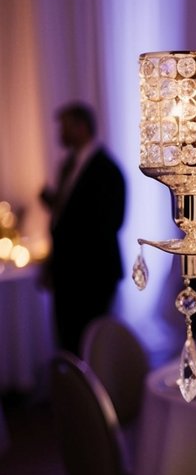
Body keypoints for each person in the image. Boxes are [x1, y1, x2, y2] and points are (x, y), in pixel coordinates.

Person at [40, 102, 126, 354]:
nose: (60, 134)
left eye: (64, 127)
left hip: (93, 273)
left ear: (81, 127)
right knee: (67, 340)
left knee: (90, 344)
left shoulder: (108, 170)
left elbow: (111, 222)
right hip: (66, 273)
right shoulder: (67, 166)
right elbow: (67, 215)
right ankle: (72, 391)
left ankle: (94, 392)